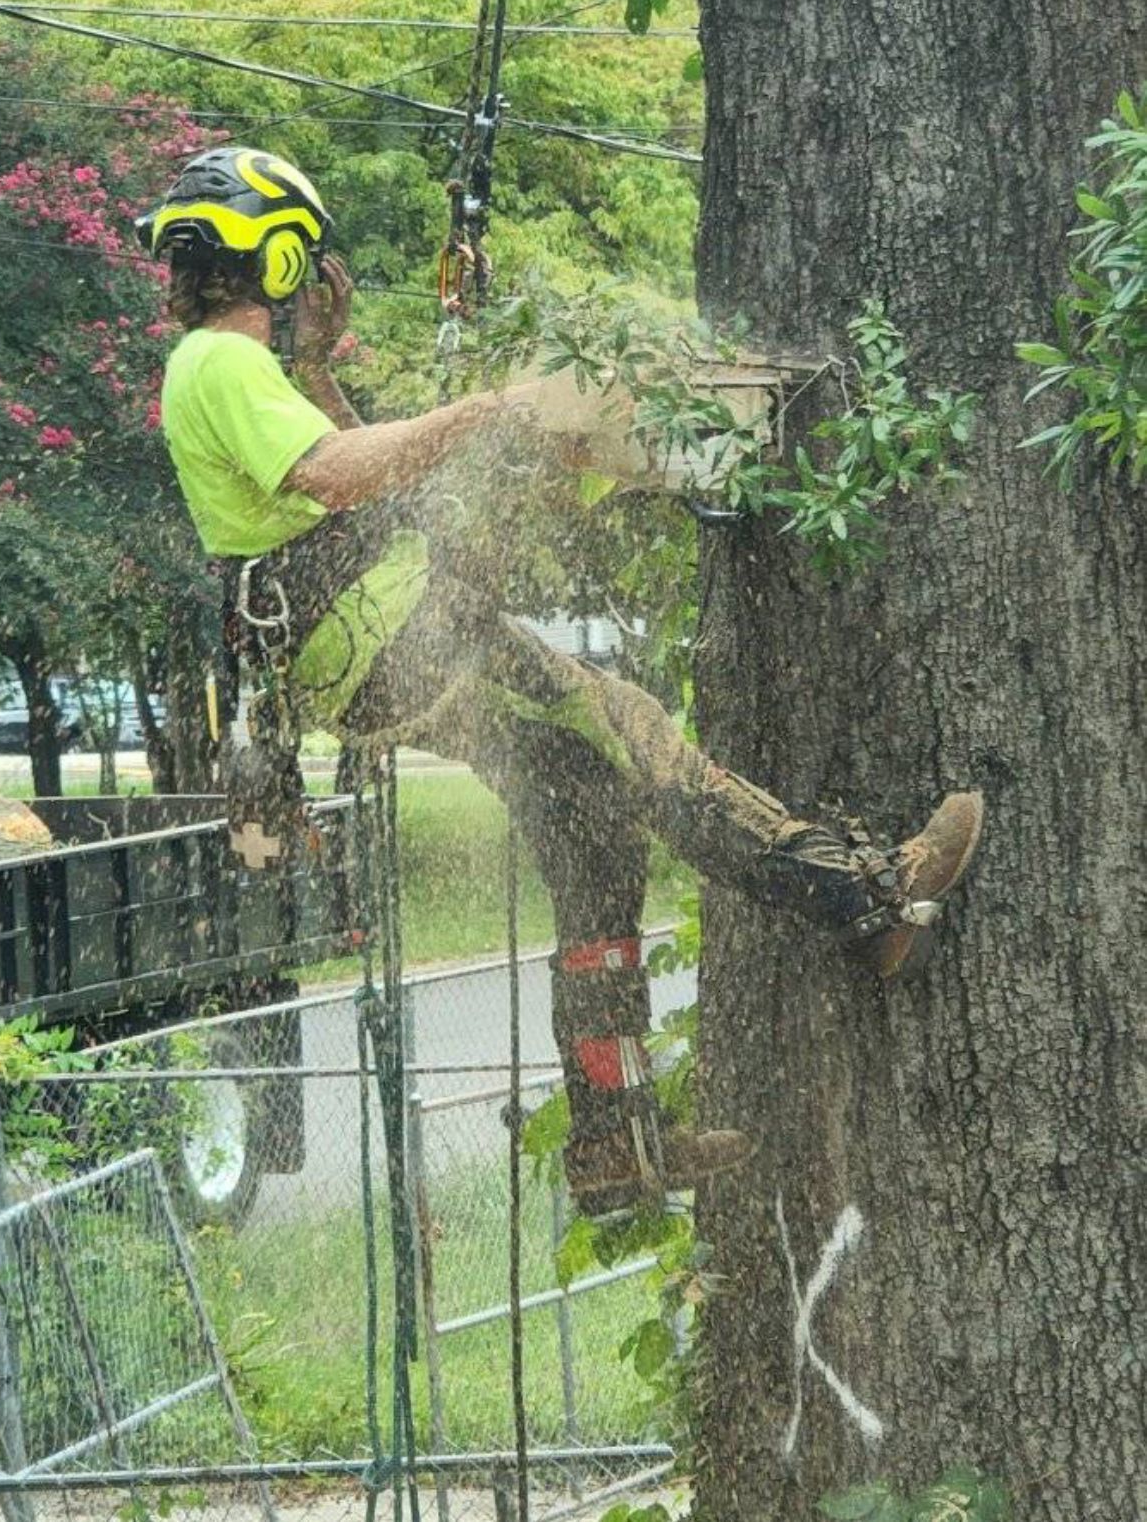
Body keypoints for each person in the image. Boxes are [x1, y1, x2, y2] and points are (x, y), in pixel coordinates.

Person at [139, 148, 985, 1216]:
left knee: (590, 824)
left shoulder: (241, 371)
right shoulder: (215, 364)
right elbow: (343, 476)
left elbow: (338, 460)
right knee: (631, 729)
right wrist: (490, 409)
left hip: (372, 643)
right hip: (388, 631)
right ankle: (866, 894)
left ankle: (613, 1141)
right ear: (282, 252)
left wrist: (317, 367)